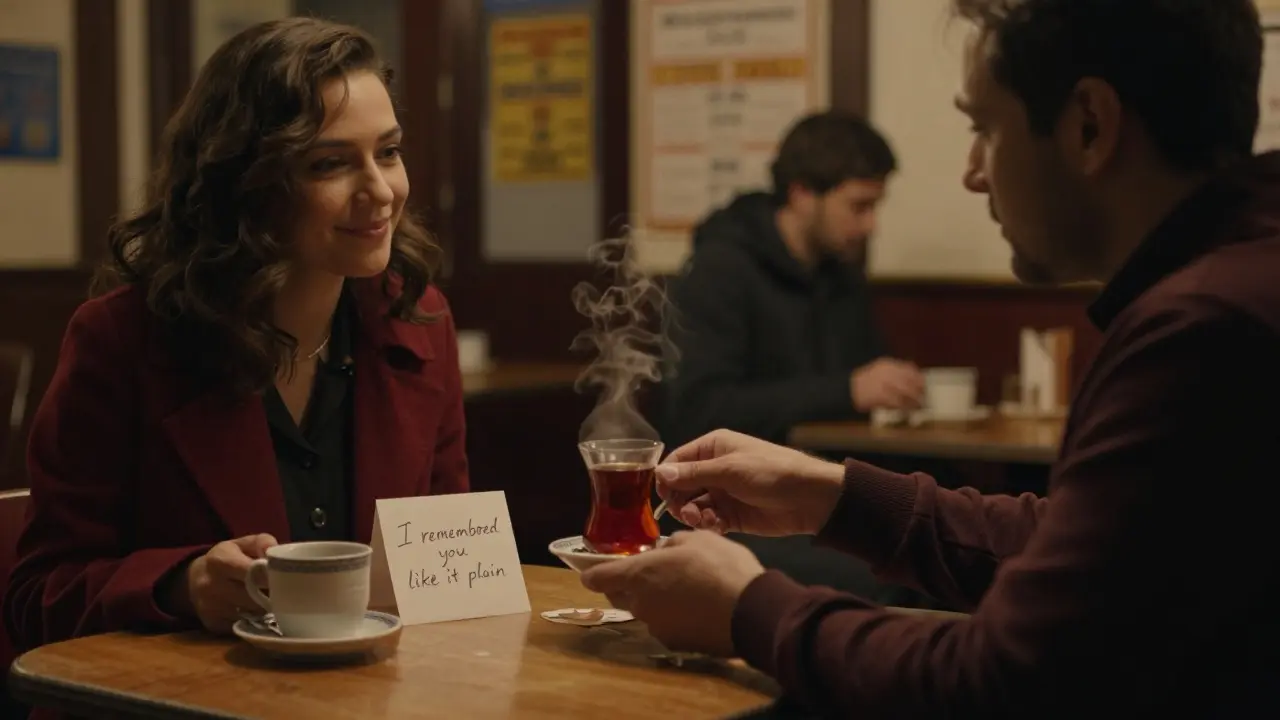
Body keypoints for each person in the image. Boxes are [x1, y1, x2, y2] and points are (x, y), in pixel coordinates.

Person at [581, 1, 1280, 716]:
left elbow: (1010, 679)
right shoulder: (1241, 281)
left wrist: (748, 608)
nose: (974, 174)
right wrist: (832, 495)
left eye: (985, 128)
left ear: (1090, 126)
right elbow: (1083, 556)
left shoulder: (1207, 330)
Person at [2, 17, 468, 655]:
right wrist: (181, 585)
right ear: (246, 184)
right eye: (331, 163)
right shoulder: (123, 340)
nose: (381, 190)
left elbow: (448, 570)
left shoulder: (418, 322)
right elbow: (36, 599)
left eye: (388, 152)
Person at [660, 111, 923, 452]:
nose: (871, 226)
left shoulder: (840, 272)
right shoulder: (720, 270)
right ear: (801, 194)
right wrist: (847, 392)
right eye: (859, 206)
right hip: (732, 492)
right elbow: (699, 410)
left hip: (823, 481)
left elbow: (865, 381)